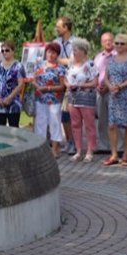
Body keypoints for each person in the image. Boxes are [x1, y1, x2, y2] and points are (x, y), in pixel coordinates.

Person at [103, 34, 127, 167]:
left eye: (121, 43)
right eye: (116, 43)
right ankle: (114, 154)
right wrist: (110, 86)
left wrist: (121, 86)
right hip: (113, 95)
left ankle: (126, 154)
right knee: (112, 125)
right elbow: (106, 76)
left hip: (126, 94)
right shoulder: (111, 59)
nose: (118, 45)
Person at [65, 38, 99, 161]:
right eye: (73, 50)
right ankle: (78, 151)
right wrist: (68, 84)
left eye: (76, 50)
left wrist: (80, 85)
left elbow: (95, 82)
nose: (74, 52)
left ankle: (90, 151)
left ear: (83, 51)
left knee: (89, 125)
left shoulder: (90, 64)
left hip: (86, 98)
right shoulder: (71, 65)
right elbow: (65, 78)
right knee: (75, 124)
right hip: (73, 98)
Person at [33, 42, 66, 158]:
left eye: (54, 53)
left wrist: (47, 88)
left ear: (57, 55)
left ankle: (55, 148)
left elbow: (62, 86)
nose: (51, 55)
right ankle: (40, 148)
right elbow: (33, 79)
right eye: (49, 52)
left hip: (54, 100)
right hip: (40, 99)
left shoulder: (60, 69)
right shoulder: (39, 66)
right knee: (40, 123)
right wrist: (38, 87)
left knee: (55, 123)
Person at [0, 39, 25, 127]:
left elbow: (21, 84)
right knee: (0, 129)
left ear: (13, 51)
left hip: (13, 104)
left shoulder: (18, 66)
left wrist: (9, 98)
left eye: (7, 50)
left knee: (13, 129)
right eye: (2, 51)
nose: (4, 52)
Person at [54, 16, 76, 154]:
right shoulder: (56, 42)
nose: (56, 28)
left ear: (66, 28)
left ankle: (73, 142)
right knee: (60, 114)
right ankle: (68, 141)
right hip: (57, 81)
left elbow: (73, 61)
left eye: (59, 26)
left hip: (71, 83)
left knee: (69, 114)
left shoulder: (75, 43)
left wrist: (58, 60)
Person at [93, 32, 116, 153]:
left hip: (113, 91)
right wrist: (96, 85)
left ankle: (118, 147)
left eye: (110, 40)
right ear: (102, 43)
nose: (108, 42)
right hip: (99, 91)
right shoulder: (98, 57)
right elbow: (94, 73)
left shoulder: (117, 55)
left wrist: (108, 87)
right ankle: (103, 145)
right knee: (102, 120)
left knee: (114, 120)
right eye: (105, 40)